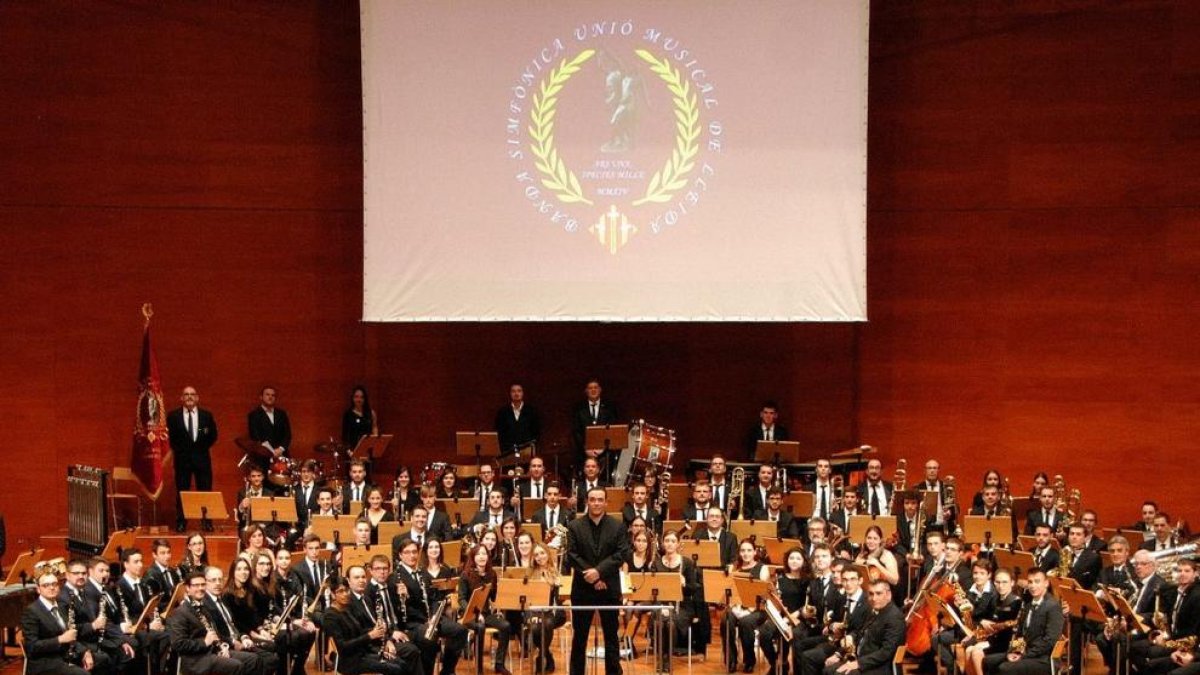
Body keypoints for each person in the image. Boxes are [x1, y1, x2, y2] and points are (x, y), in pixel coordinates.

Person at [566, 486, 631, 675]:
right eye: (592, 499)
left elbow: (621, 553)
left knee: (611, 636)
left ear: (606, 502)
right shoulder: (575, 526)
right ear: (587, 502)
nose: (596, 503)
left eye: (600, 499)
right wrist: (593, 577)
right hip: (583, 589)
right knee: (580, 638)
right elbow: (572, 555)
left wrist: (599, 573)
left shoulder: (617, 526)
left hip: (608, 588)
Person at [323, 570, 423, 675]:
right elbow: (343, 647)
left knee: (401, 663)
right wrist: (370, 636)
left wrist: (379, 636)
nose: (345, 594)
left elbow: (359, 632)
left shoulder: (344, 610)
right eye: (340, 591)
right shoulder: (330, 616)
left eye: (347, 590)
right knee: (395, 668)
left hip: (363, 654)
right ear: (333, 594)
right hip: (350, 662)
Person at [394, 541, 469, 675]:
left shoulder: (422, 573)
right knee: (429, 639)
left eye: (414, 552)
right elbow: (399, 608)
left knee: (460, 631)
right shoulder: (396, 577)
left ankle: (446, 671)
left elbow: (433, 598)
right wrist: (405, 596)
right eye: (407, 552)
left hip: (432, 618)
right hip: (414, 623)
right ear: (400, 555)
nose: (412, 556)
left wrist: (435, 615)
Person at [165, 569, 258, 675]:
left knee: (252, 659)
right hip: (195, 660)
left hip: (212, 652)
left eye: (203, 584)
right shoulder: (180, 612)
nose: (200, 588)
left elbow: (215, 633)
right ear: (188, 588)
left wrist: (222, 646)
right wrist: (204, 642)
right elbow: (179, 644)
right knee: (236, 665)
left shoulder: (204, 608)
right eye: (196, 585)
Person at [22, 570, 112, 675]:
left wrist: (84, 652)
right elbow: (32, 647)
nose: (51, 588)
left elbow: (71, 636)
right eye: (46, 585)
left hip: (66, 654)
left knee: (104, 659)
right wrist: (60, 639)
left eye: (54, 584)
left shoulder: (62, 606)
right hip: (45, 662)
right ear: (38, 589)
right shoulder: (31, 611)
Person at [981, 568, 1063, 675]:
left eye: (1037, 581)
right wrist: (1015, 651)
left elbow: (1049, 641)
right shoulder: (1028, 605)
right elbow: (1020, 634)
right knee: (988, 661)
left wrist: (1024, 655)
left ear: (1046, 583)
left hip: (1043, 659)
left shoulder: (1053, 606)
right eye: (1030, 582)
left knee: (1005, 668)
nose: (1033, 586)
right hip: (1025, 652)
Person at [824, 579, 905, 675]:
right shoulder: (874, 611)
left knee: (839, 673)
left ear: (888, 595)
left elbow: (886, 652)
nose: (874, 598)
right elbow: (859, 634)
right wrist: (839, 654)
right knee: (828, 670)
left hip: (881, 667)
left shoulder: (894, 617)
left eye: (878, 594)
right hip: (863, 659)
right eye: (871, 594)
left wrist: (858, 663)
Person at [167, 386, 219, 532]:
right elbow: (170, 438)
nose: (189, 397)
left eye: (192, 394)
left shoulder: (206, 416)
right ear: (181, 398)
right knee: (182, 492)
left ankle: (207, 522)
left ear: (197, 398)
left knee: (205, 491)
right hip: (182, 460)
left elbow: (211, 434)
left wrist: (201, 443)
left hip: (202, 459)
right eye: (186, 394)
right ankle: (181, 522)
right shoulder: (173, 416)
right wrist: (181, 450)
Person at [458, 544, 515, 675]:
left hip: (485, 613)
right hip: (469, 615)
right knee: (480, 627)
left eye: (484, 554)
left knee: (505, 625)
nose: (481, 557)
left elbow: (493, 598)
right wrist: (473, 612)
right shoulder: (465, 575)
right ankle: (479, 668)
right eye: (478, 554)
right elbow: (461, 599)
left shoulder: (491, 573)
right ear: (473, 557)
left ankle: (499, 664)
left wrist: (498, 585)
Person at [963, 568, 1023, 675]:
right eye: (998, 582)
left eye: (1005, 582)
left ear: (1012, 583)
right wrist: (981, 622)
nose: (1001, 586)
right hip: (993, 639)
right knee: (968, 650)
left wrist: (992, 627)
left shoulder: (1016, 602)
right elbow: (982, 616)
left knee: (976, 651)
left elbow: (1011, 627)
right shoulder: (995, 599)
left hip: (1006, 643)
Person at [724, 539, 772, 672]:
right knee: (726, 620)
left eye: (749, 550)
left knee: (746, 622)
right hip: (736, 606)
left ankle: (749, 660)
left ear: (755, 552)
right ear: (739, 553)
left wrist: (748, 610)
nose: (746, 553)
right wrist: (735, 608)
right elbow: (730, 591)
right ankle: (731, 660)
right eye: (743, 550)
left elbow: (762, 595)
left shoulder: (762, 568)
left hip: (757, 609)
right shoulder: (734, 567)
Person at [657, 529, 700, 659]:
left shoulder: (686, 563)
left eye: (673, 541)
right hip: (662, 604)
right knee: (660, 622)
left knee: (670, 623)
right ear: (663, 543)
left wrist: (684, 583)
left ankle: (666, 659)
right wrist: (661, 606)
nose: (670, 544)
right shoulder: (656, 563)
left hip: (682, 606)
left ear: (678, 544)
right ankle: (662, 656)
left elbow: (693, 589)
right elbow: (653, 590)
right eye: (667, 541)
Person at [527, 543, 566, 673]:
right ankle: (547, 656)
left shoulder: (557, 571)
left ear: (548, 554)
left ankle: (540, 658)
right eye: (536, 555)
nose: (540, 557)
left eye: (542, 553)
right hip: (534, 612)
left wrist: (557, 584)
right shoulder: (529, 574)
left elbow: (558, 600)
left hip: (551, 611)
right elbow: (526, 599)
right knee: (534, 628)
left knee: (547, 623)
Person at [571, 378, 620, 463]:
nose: (593, 390)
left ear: (600, 390)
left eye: (595, 387)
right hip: (584, 454)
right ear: (586, 391)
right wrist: (586, 448)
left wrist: (603, 448)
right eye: (590, 388)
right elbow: (576, 432)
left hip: (606, 454)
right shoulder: (578, 409)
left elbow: (613, 430)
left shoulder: (610, 408)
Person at [247, 386, 292, 463]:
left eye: (273, 395)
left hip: (282, 455)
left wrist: (281, 449)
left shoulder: (282, 414)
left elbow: (288, 434)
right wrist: (270, 451)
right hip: (263, 457)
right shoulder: (253, 415)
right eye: (267, 394)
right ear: (261, 397)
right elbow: (255, 436)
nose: (270, 397)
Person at [494, 383, 540, 454]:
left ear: (523, 393)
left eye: (519, 391)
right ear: (510, 394)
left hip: (527, 449)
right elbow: (500, 432)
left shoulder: (531, 411)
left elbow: (536, 432)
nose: (516, 393)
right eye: (513, 391)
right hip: (508, 450)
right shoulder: (503, 412)